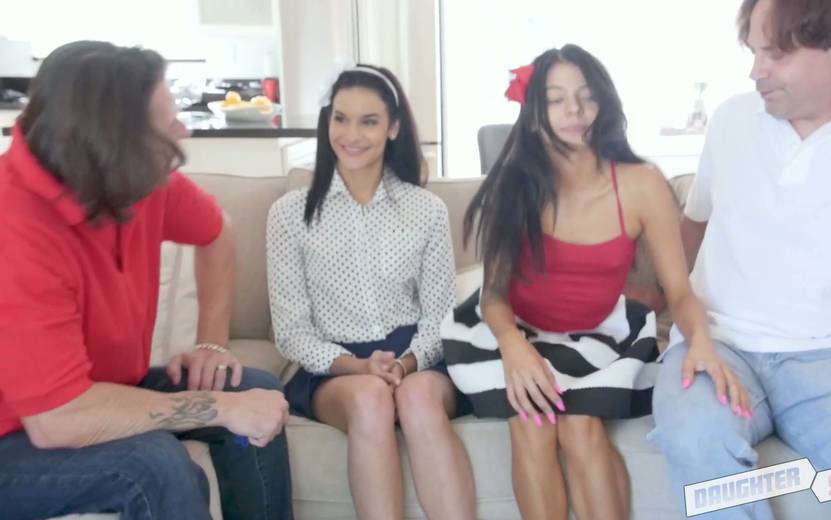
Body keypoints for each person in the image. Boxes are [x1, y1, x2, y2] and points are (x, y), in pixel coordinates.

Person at [648, 1, 831, 518]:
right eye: (754, 52)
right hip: (717, 345)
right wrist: (659, 311)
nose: (756, 71)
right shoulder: (732, 120)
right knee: (695, 439)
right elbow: (693, 226)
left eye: (775, 54)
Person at [442, 44, 747, 520]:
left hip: (598, 331)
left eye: (586, 96)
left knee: (581, 424)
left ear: (604, 103)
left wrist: (701, 342)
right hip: (512, 328)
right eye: (556, 98)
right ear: (534, 112)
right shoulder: (513, 184)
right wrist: (513, 346)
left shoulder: (642, 184)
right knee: (533, 421)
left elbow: (680, 292)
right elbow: (494, 292)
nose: (574, 110)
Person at [0, 41, 292, 520]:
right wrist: (218, 408)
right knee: (154, 464)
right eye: (167, 124)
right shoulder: (16, 229)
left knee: (251, 388)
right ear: (113, 143)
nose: (184, 131)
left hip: (96, 392)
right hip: (18, 437)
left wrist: (212, 344)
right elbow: (57, 420)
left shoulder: (135, 180)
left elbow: (217, 233)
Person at [267, 64, 476, 520]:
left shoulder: (426, 210)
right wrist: (358, 366)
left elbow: (440, 318)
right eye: (340, 119)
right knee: (370, 398)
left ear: (393, 127)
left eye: (369, 121)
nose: (351, 135)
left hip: (416, 358)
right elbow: (291, 333)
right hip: (334, 367)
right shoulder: (288, 215)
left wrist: (404, 364)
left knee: (417, 398)